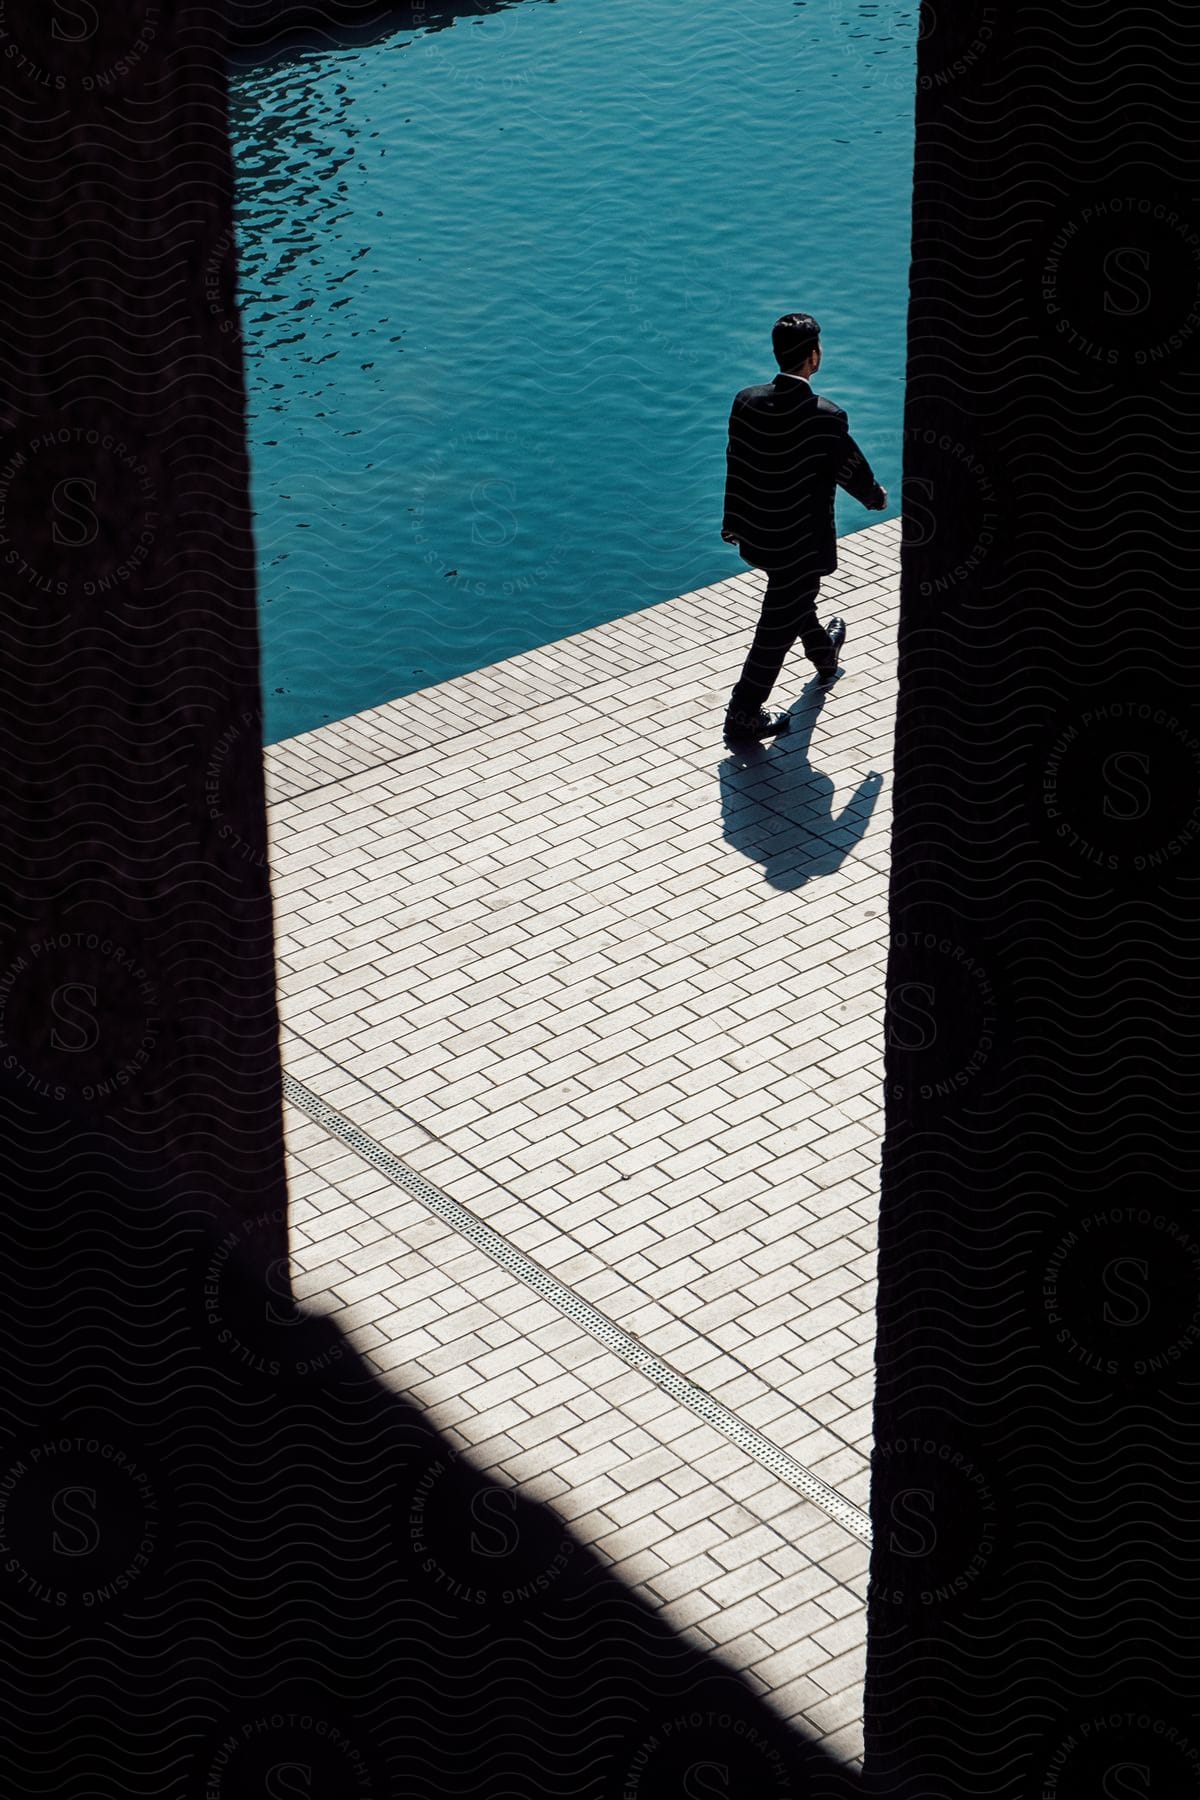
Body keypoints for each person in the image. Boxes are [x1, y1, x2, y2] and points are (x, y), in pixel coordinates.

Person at [720, 312, 887, 745]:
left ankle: (824, 655)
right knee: (775, 626)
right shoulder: (825, 416)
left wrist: (733, 524)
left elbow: (735, 464)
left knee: (793, 599)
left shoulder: (746, 401)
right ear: (814, 356)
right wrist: (875, 497)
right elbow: (849, 468)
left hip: (759, 535)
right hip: (802, 544)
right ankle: (743, 714)